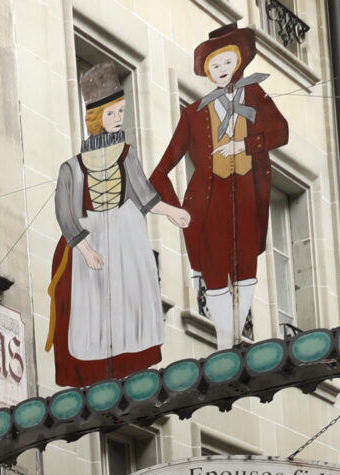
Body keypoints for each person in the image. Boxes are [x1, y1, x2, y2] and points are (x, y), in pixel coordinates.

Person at [47, 64, 191, 387]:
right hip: (92, 235)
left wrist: (170, 211)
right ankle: (98, 368)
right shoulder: (71, 167)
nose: (119, 118)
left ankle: (131, 361)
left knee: (131, 298)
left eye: (122, 111)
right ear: (97, 118)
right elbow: (66, 213)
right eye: (113, 113)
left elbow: (144, 195)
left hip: (127, 236)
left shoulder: (127, 155)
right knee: (93, 304)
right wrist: (84, 249)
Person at [149, 24, 288, 347]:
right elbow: (160, 171)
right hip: (209, 203)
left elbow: (281, 133)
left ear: (238, 62)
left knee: (246, 267)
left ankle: (234, 338)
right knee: (214, 273)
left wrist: (245, 146)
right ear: (208, 73)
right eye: (215, 65)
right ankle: (225, 344)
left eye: (227, 62)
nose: (222, 70)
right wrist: (174, 210)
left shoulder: (255, 95)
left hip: (248, 196)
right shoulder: (193, 113)